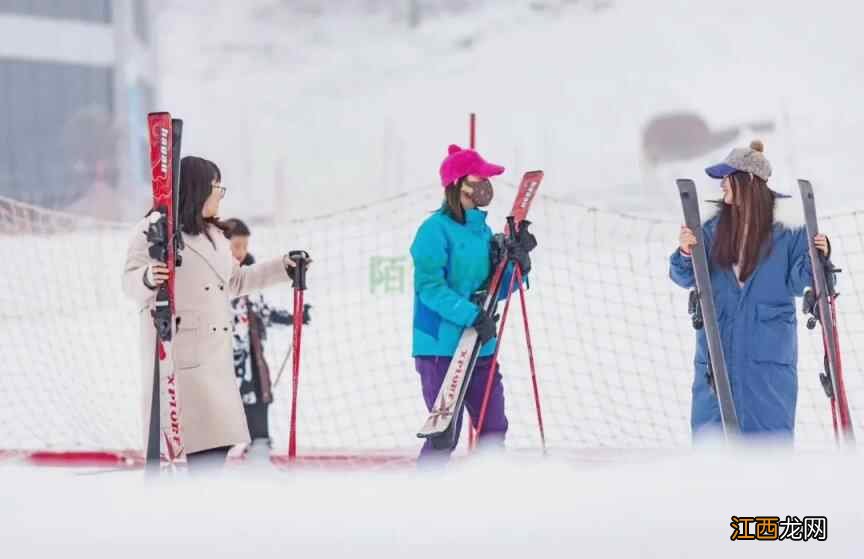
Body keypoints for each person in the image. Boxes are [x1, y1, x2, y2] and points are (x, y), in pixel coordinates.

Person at [122, 156, 309, 472]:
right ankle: (191, 509)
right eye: (216, 187)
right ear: (197, 189)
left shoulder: (215, 235)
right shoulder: (152, 230)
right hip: (177, 356)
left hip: (214, 358)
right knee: (194, 450)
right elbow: (130, 281)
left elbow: (235, 281)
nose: (221, 194)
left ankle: (202, 508)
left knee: (217, 445)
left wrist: (282, 268)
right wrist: (149, 277)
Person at [670, 140, 830, 440]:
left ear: (748, 180)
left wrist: (817, 256)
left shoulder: (787, 231)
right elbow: (682, 275)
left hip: (765, 365)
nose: (722, 185)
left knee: (766, 453)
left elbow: (799, 281)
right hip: (717, 360)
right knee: (713, 453)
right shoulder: (712, 228)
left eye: (727, 178)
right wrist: (685, 252)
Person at [410, 144, 537, 463]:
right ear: (457, 184)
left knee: (493, 429)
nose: (485, 186)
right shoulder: (433, 231)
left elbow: (497, 288)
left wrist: (518, 264)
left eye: (487, 179)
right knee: (444, 435)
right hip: (441, 348)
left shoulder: (484, 234)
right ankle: (425, 496)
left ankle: (486, 497)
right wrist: (471, 315)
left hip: (480, 346)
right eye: (478, 178)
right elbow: (430, 288)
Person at [222, 218, 311, 449]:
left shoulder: (250, 276)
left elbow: (263, 312)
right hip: (223, 368)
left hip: (254, 366)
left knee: (258, 417)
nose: (241, 251)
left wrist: (295, 317)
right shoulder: (215, 279)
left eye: (244, 245)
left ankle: (259, 461)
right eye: (236, 245)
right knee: (223, 426)